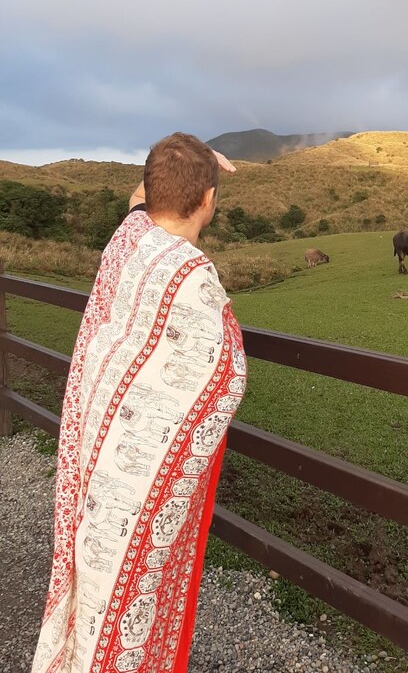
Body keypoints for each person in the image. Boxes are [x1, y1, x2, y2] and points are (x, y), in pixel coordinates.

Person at [31, 132, 246, 673]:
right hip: (134, 488)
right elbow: (227, 373)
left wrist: (187, 165)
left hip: (93, 460)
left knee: (92, 581)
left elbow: (140, 201)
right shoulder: (195, 279)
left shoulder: (127, 239)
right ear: (208, 202)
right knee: (127, 602)